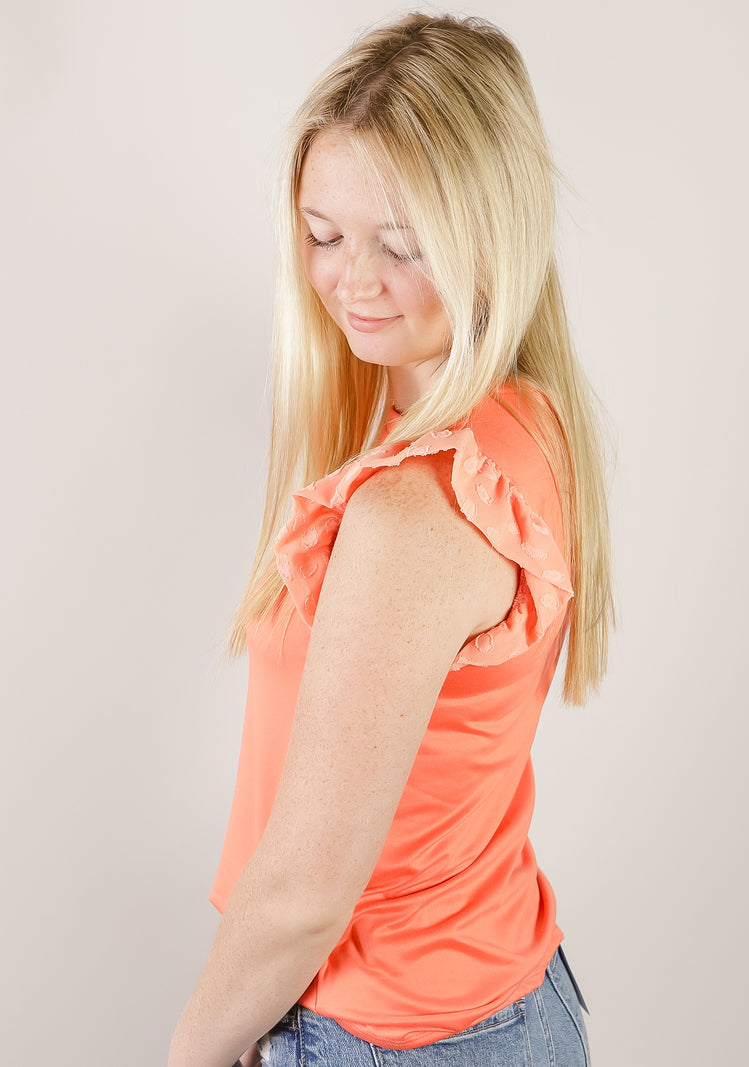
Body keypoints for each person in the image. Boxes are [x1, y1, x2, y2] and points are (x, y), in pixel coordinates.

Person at [168, 11, 613, 1067]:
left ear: (486, 239)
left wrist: (186, 1050)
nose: (348, 280)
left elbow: (303, 893)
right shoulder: (530, 425)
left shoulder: (412, 513)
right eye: (321, 234)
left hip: (394, 1035)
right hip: (508, 994)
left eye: (399, 244)